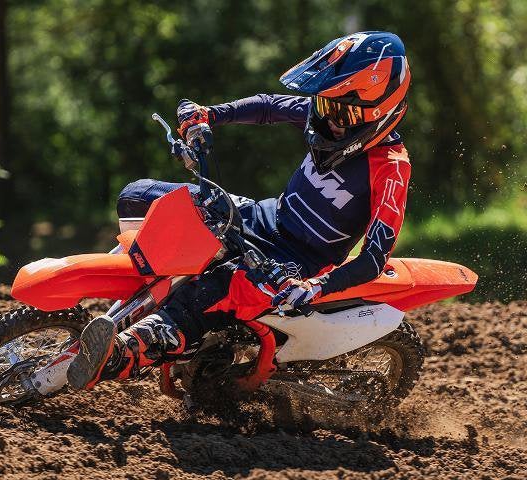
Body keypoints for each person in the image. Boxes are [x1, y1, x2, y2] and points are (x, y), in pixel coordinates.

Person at [67, 31, 412, 390]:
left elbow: (374, 257)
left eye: (342, 111)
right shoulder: (325, 116)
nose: (330, 120)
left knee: (220, 286)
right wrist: (207, 115)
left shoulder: (391, 168)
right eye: (325, 105)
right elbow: (268, 106)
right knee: (139, 196)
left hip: (297, 262)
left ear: (381, 112)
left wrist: (315, 287)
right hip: (262, 217)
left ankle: (126, 352)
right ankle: (134, 293)